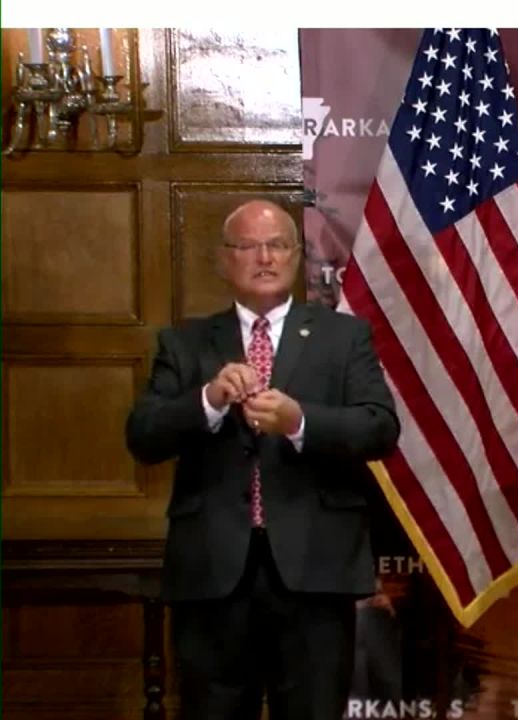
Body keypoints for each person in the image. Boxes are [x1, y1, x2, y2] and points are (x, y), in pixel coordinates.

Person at [125, 199, 400, 720]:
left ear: (297, 257)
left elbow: (380, 428)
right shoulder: (184, 343)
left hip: (315, 573)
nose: (265, 257)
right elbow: (142, 436)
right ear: (224, 260)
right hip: (211, 575)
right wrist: (206, 400)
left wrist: (300, 421)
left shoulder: (344, 338)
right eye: (249, 246)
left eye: (277, 245)